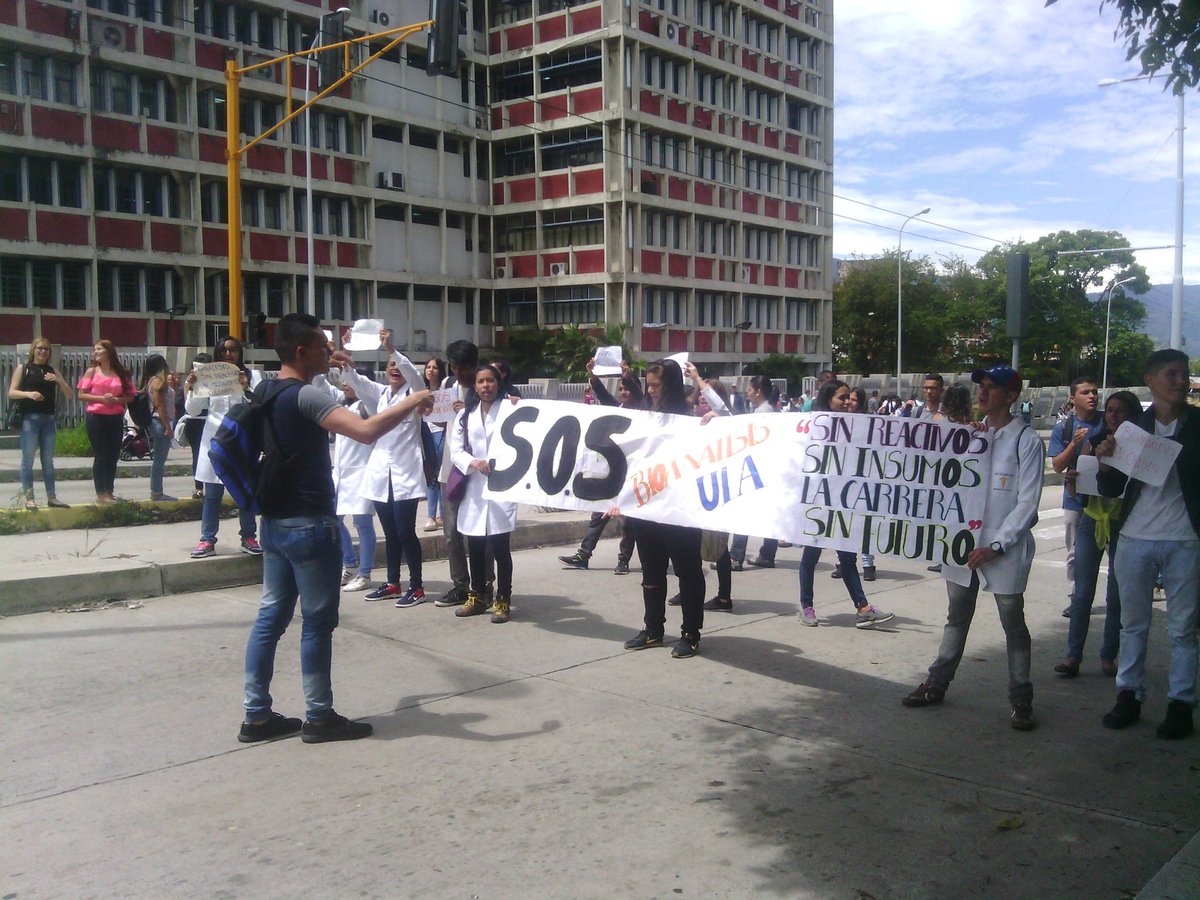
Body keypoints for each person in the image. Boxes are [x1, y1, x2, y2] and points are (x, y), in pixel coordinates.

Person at [238, 312, 433, 745]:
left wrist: (340, 363)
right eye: (322, 348)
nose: (329, 352)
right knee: (316, 623)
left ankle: (256, 714)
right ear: (303, 352)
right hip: (309, 526)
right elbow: (364, 431)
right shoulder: (305, 397)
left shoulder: (267, 390)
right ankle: (320, 716)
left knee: (270, 617)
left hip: (273, 523)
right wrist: (409, 400)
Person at [902, 364, 1043, 730]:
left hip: (1002, 549)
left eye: (992, 387)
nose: (982, 392)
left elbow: (1027, 504)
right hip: (963, 544)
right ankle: (937, 683)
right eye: (981, 385)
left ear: (1011, 396)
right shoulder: (971, 437)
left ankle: (1021, 696)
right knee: (956, 618)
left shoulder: (1026, 441)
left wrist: (996, 545)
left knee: (1013, 624)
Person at [1096, 349, 1199, 740]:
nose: (1180, 381)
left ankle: (1181, 703)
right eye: (1171, 374)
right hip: (1135, 538)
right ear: (1151, 380)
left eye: (1184, 374)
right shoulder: (1132, 429)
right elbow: (1109, 487)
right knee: (1132, 624)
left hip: (1185, 540)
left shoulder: (1198, 426)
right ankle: (1129, 694)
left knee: (1183, 628)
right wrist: (1105, 462)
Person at [622, 359, 707, 658]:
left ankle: (691, 633)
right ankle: (653, 629)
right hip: (647, 507)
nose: (650, 389)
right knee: (651, 571)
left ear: (669, 385)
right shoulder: (645, 416)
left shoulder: (688, 417)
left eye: (656, 384)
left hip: (680, 509)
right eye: (648, 383)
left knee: (688, 571)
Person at [338, 328, 428, 608]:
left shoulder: (413, 393)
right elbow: (356, 381)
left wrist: (391, 350)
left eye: (397, 366)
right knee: (389, 532)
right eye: (390, 366)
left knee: (405, 531)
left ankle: (417, 586)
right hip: (381, 472)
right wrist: (347, 354)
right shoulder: (380, 395)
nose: (394, 369)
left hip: (405, 472)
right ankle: (392, 582)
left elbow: (414, 376)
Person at [1055, 390, 1142, 679]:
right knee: (1082, 594)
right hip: (1091, 520)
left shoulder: (1141, 450)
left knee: (1116, 594)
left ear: (1132, 415)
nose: (1114, 416)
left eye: (1121, 411)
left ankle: (1108, 656)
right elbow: (1079, 487)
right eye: (1111, 410)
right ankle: (1073, 656)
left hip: (1124, 525)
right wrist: (1072, 483)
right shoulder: (1092, 444)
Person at [797, 379, 894, 628]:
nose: (848, 401)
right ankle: (806, 606)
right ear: (828, 399)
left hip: (843, 502)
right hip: (819, 501)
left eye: (849, 397)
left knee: (848, 556)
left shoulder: (854, 425)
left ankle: (862, 608)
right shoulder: (815, 425)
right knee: (811, 555)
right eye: (842, 398)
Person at [449, 364, 519, 623]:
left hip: (503, 486)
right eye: (481, 382)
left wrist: (519, 404)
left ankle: (503, 599)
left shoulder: (512, 409)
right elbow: (455, 450)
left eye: (491, 381)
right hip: (474, 488)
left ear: (498, 383)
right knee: (475, 546)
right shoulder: (465, 415)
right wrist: (473, 462)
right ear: (475, 386)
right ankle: (477, 596)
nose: (486, 386)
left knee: (501, 549)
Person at [559, 358, 642, 574]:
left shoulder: (644, 413)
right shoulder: (617, 409)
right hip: (612, 475)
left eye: (627, 389)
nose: (623, 392)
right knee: (598, 515)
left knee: (628, 523)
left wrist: (627, 373)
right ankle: (583, 555)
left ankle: (623, 561)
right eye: (622, 389)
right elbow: (604, 396)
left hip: (634, 476)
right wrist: (593, 376)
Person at [186, 335, 262, 557]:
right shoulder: (208, 376)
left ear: (240, 353)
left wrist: (246, 387)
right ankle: (207, 540)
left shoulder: (250, 375)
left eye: (233, 350)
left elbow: (258, 405)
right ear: (217, 353)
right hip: (215, 437)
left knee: (243, 490)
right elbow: (192, 410)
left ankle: (248, 537)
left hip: (240, 439)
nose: (228, 354)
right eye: (224, 350)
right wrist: (192, 386)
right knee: (212, 494)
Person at [434, 339, 494, 608]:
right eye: (454, 367)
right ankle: (460, 584)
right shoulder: (447, 387)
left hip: (478, 473)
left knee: (480, 534)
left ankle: (486, 585)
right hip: (451, 470)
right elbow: (437, 419)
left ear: (474, 365)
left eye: (463, 368)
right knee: (451, 534)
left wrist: (468, 413)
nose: (458, 373)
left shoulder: (485, 387)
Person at [314, 374, 378, 594]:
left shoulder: (368, 405)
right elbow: (320, 382)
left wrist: (353, 375)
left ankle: (365, 573)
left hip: (361, 474)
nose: (345, 383)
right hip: (339, 475)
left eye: (350, 380)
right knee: (334, 520)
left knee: (362, 523)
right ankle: (349, 564)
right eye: (343, 379)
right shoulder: (341, 402)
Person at [1048, 377, 1104, 617]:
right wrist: (1074, 444)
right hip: (1075, 499)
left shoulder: (1107, 422)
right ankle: (1077, 597)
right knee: (1074, 552)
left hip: (1105, 499)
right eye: (1085, 392)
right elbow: (1057, 466)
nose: (1091, 396)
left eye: (1094, 392)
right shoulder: (1065, 427)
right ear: (1073, 398)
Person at [9, 338, 74, 510]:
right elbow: (12, 392)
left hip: (48, 419)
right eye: (40, 349)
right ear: (33, 350)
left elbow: (69, 394)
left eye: (46, 349)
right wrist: (29, 394)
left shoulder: (52, 371)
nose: (43, 352)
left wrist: (58, 380)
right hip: (29, 419)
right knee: (28, 460)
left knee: (48, 460)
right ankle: (29, 498)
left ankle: (52, 497)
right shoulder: (24, 369)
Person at [730, 375, 781, 569]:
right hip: (770, 470)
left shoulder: (762, 414)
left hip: (757, 470)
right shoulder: (770, 411)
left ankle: (736, 556)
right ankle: (767, 554)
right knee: (771, 515)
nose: (748, 394)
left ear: (758, 391)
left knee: (743, 512)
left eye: (750, 390)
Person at [76, 340, 136, 505]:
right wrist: (101, 399)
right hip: (96, 417)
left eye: (99, 349)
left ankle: (109, 490)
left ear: (109, 352)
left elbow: (130, 396)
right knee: (101, 455)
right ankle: (100, 493)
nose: (95, 352)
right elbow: (82, 394)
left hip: (115, 417)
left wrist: (116, 399)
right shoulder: (92, 371)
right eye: (94, 350)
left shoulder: (121, 373)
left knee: (113, 455)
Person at [834, 386, 877, 581]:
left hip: (863, 480)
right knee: (841, 525)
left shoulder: (869, 423)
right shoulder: (840, 420)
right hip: (843, 479)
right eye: (847, 399)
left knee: (864, 525)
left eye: (853, 400)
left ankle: (868, 565)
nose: (849, 403)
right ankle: (843, 563)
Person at [141, 354, 176, 502]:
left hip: (158, 421)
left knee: (159, 459)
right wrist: (167, 427)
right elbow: (159, 405)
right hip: (159, 421)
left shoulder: (152, 381)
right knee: (159, 460)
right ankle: (156, 492)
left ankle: (157, 491)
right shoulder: (157, 382)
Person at [182, 352, 212, 499]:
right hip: (195, 421)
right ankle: (199, 487)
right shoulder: (189, 384)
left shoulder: (214, 382)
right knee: (198, 455)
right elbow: (191, 408)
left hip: (211, 419)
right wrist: (193, 386)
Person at [422, 357, 447, 532]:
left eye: (435, 367)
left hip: (440, 434)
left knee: (439, 475)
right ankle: (431, 515)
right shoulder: (419, 391)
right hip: (424, 435)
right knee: (429, 474)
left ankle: (440, 515)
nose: (431, 370)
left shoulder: (446, 392)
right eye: (428, 367)